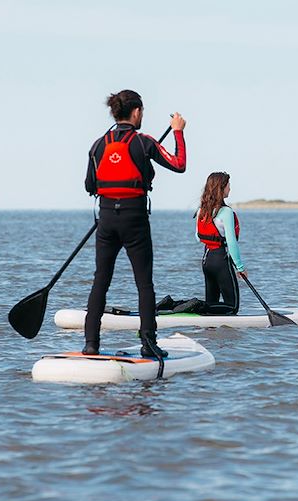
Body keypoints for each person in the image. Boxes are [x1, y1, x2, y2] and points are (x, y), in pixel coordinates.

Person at [82, 89, 186, 357]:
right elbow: (179, 164)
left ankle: (91, 344)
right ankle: (149, 344)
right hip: (135, 219)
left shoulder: (98, 145)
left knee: (100, 282)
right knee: (144, 284)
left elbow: (89, 186)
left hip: (106, 219)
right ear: (136, 112)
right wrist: (178, 131)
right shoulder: (143, 142)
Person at [196, 172, 247, 315]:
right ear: (221, 188)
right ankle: (197, 307)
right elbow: (231, 242)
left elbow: (197, 236)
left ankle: (210, 331)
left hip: (207, 260)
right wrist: (240, 267)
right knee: (233, 307)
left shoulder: (202, 210)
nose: (230, 189)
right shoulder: (226, 212)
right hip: (221, 260)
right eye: (228, 185)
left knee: (211, 306)